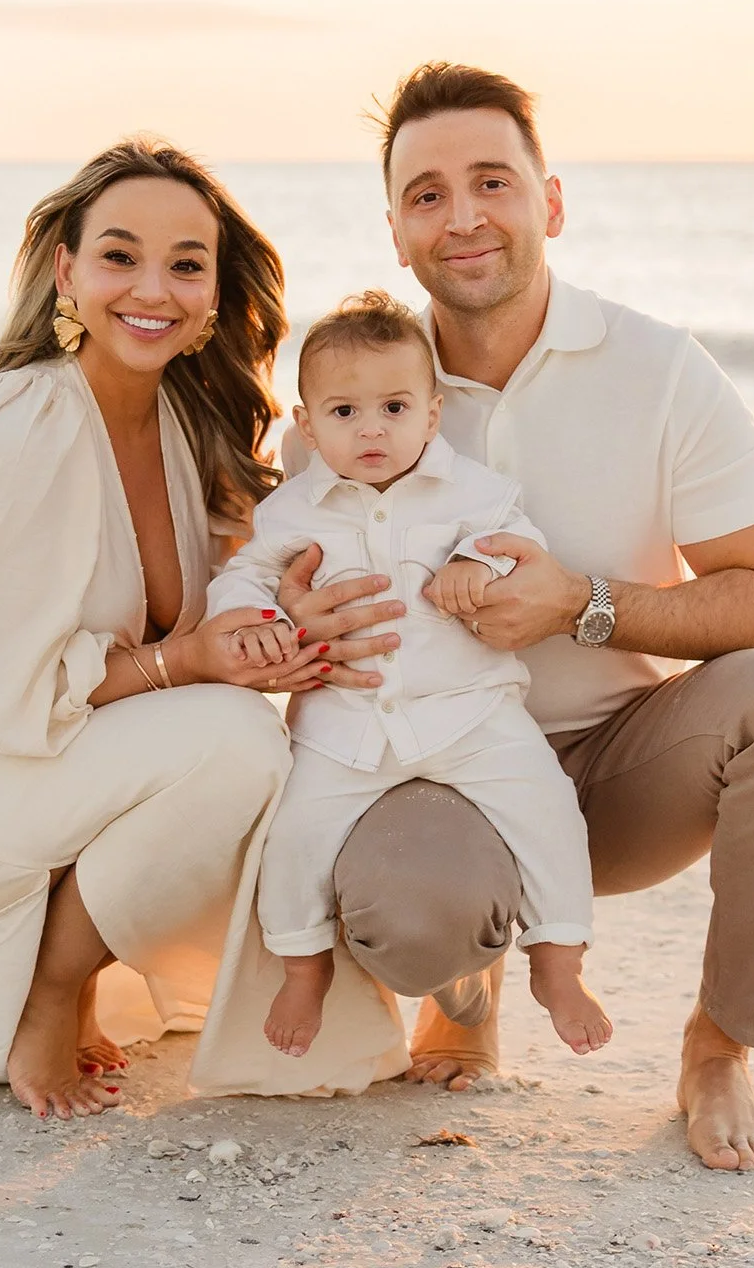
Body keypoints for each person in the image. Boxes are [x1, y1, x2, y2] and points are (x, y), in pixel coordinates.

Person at [273, 64, 754, 1173]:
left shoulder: (660, 371)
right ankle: (462, 993)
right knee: (411, 920)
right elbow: (268, 606)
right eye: (427, 195)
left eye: (492, 182)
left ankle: (719, 1049)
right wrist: (300, 623)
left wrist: (580, 606)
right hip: (423, 768)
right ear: (396, 233)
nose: (463, 217)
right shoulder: (351, 393)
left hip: (620, 768)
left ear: (550, 202)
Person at [0, 138, 328, 1121]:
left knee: (303, 755)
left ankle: (82, 964)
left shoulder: (189, 427)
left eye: (186, 264)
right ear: (66, 269)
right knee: (238, 740)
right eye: (120, 256)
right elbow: (15, 701)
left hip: (65, 793)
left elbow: (235, 611)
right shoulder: (19, 420)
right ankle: (50, 991)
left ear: (213, 293)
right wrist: (187, 660)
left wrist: (292, 615)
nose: (153, 288)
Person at [204, 292, 610, 1065]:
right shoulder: (293, 511)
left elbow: (518, 544)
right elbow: (248, 574)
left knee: (548, 808)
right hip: (344, 728)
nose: (372, 429)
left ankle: (559, 962)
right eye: (345, 412)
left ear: (431, 415)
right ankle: (303, 970)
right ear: (308, 425)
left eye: (394, 407)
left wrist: (477, 563)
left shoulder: (476, 494)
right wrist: (252, 616)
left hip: (472, 715)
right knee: (292, 838)